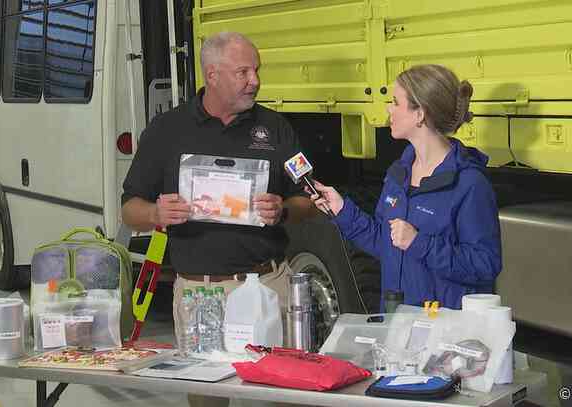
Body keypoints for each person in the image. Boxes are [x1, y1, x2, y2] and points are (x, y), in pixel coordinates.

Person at [121, 31, 314, 407]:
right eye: (243, 72)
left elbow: (312, 198)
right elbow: (129, 208)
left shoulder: (276, 128)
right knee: (207, 398)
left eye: (256, 70)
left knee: (282, 397)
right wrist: (157, 213)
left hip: (267, 285)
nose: (255, 80)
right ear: (212, 75)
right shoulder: (166, 131)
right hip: (200, 293)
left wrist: (284, 209)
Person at [309, 64, 502, 310]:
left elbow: (485, 265)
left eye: (395, 102)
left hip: (443, 331)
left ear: (420, 113)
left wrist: (419, 243)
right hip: (397, 322)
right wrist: (341, 209)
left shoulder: (469, 184)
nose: (388, 109)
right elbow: (385, 242)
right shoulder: (398, 174)